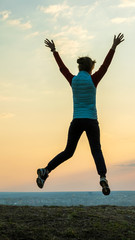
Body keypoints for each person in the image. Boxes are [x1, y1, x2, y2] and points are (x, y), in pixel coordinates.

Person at [37, 33, 125, 195]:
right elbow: (105, 66)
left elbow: (62, 68)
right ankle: (103, 177)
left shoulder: (73, 80)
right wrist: (113, 47)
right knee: (96, 150)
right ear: (91, 68)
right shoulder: (94, 79)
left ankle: (45, 170)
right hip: (91, 120)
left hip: (77, 120)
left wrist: (54, 51)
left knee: (68, 151)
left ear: (79, 67)